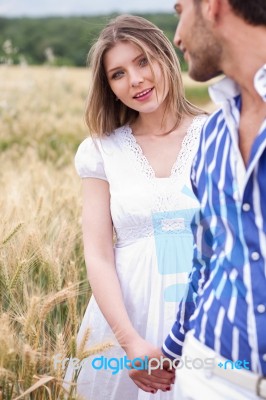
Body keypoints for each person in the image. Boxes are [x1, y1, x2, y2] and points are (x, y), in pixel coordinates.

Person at [64, 14, 207, 400]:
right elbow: (97, 253)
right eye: (118, 73)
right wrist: (129, 341)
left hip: (204, 315)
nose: (136, 80)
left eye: (143, 61)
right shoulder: (101, 150)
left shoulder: (216, 134)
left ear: (166, 56)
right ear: (108, 87)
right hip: (125, 320)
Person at [159, 1, 266, 399]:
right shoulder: (212, 135)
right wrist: (172, 349)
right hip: (205, 377)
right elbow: (207, 258)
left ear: (213, 6)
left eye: (180, 11)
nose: (178, 37)